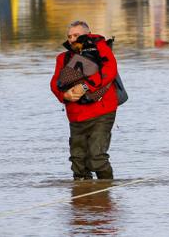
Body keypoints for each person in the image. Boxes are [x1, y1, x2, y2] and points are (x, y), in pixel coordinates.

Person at [50, 21, 119, 180]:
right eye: (69, 36)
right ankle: (82, 200)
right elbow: (54, 83)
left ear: (87, 35)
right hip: (76, 116)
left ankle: (106, 194)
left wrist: (85, 86)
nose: (72, 39)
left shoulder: (102, 49)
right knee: (78, 162)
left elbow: (109, 71)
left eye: (76, 35)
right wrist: (64, 96)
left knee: (97, 157)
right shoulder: (63, 58)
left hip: (102, 113)